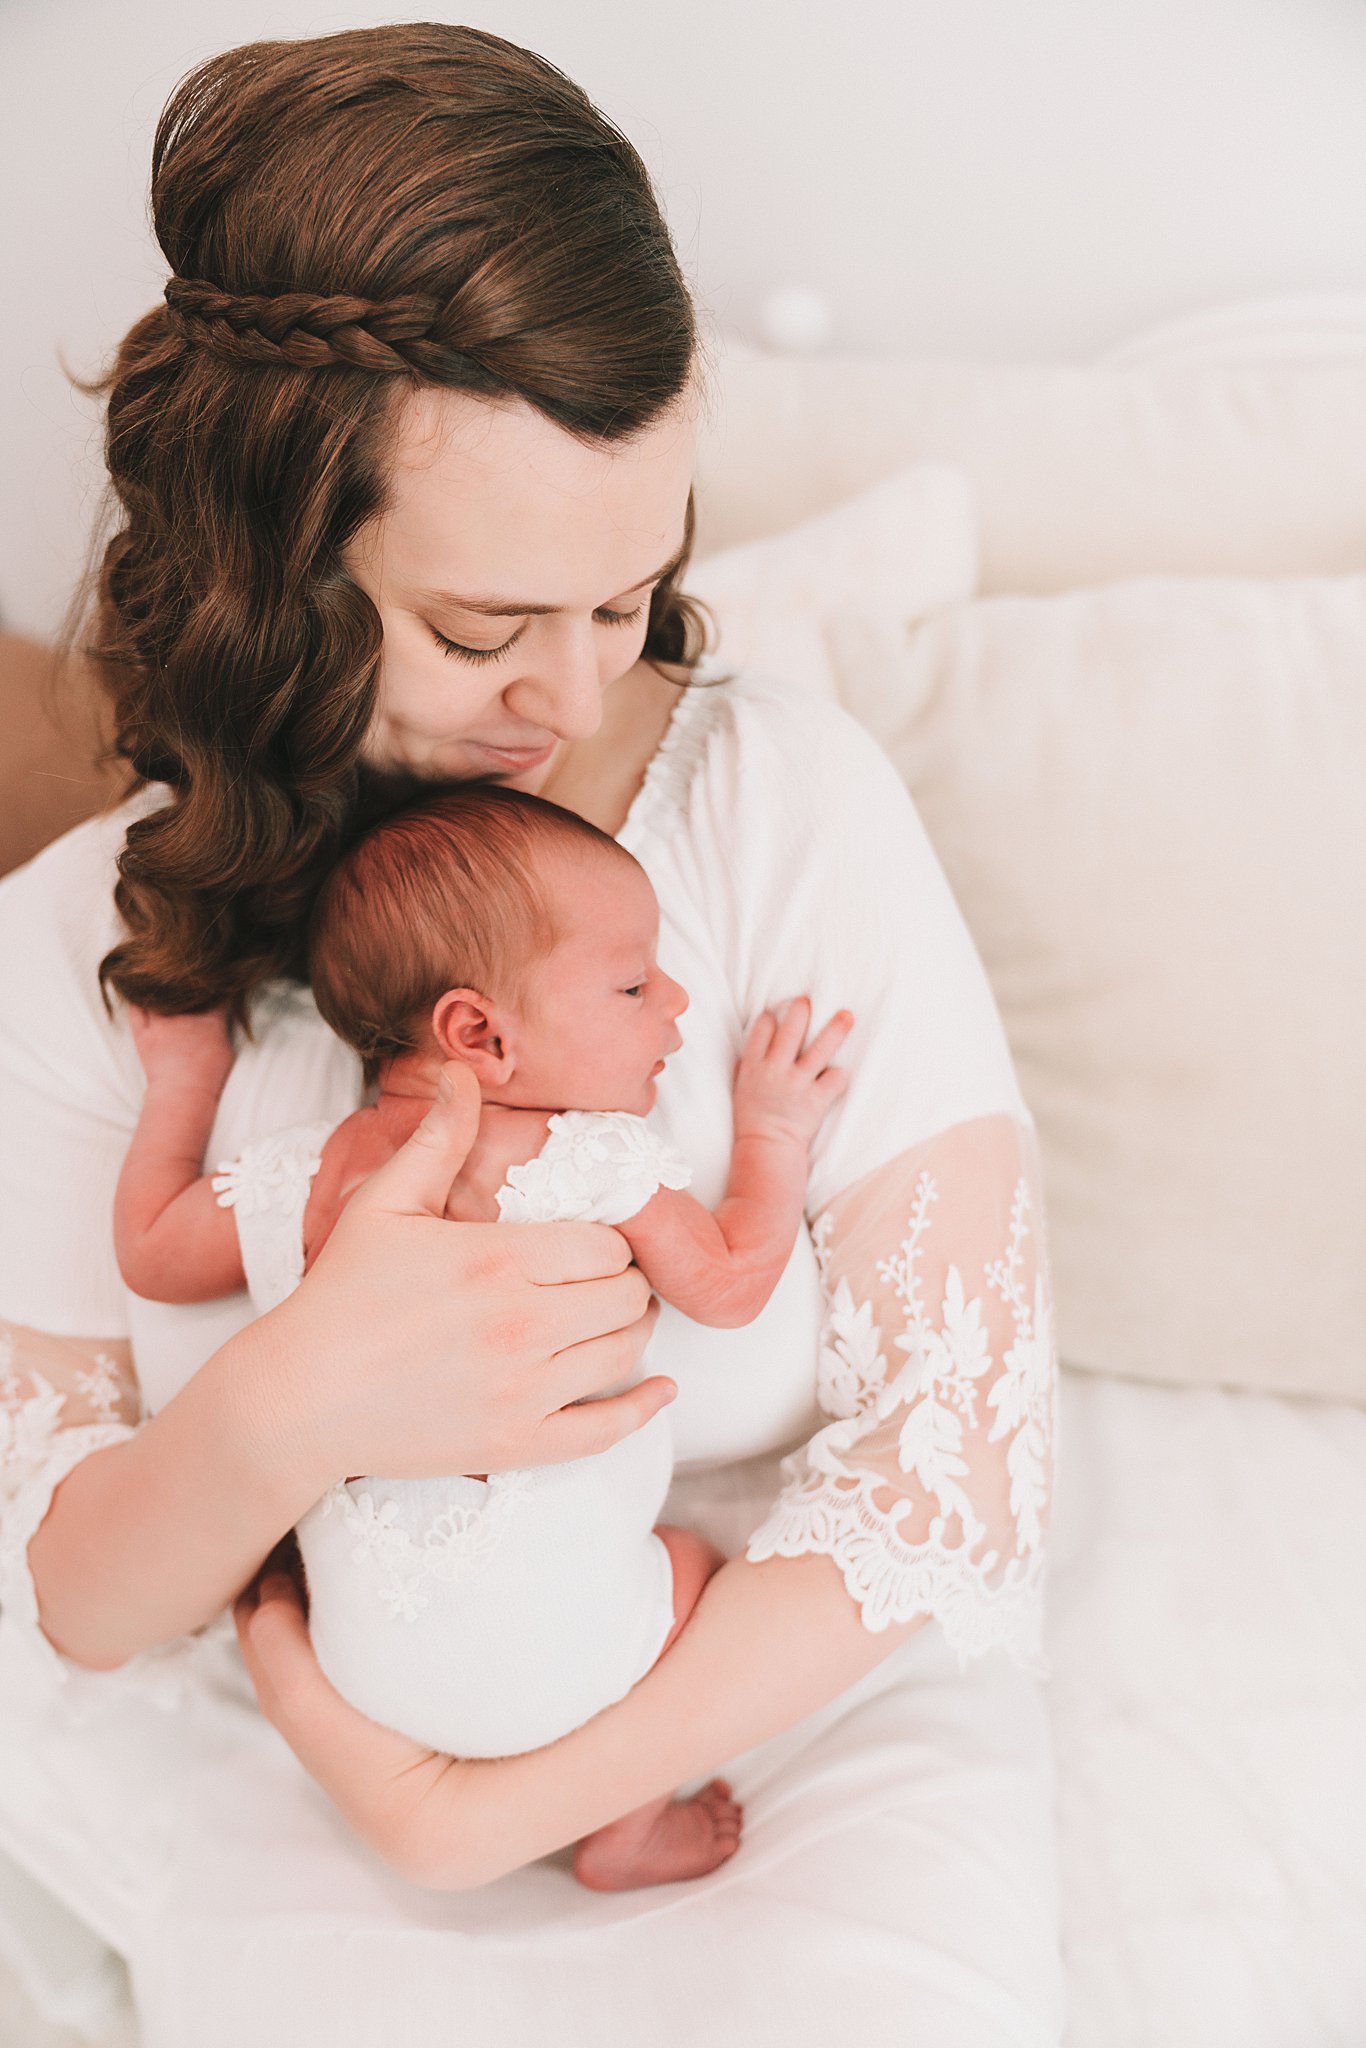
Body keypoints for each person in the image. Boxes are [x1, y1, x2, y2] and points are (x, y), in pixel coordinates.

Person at [0, 22, 1064, 2046]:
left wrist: (474, 1815)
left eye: (629, 596)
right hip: (304, 1759)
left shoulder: (784, 812)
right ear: (271, 581)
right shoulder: (88, 957)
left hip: (768, 1724)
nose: (573, 701)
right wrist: (292, 1401)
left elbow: (951, 1468)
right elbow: (82, 1594)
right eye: (484, 631)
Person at [113, 782, 852, 1890]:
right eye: (635, 981)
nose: (679, 1002)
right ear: (479, 1033)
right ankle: (622, 1817)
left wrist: (183, 1078)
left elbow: (152, 1250)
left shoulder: (310, 1174)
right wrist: (776, 1133)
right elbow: (734, 1282)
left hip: (365, 1680)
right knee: (694, 1561)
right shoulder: (581, 1155)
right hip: (574, 1667)